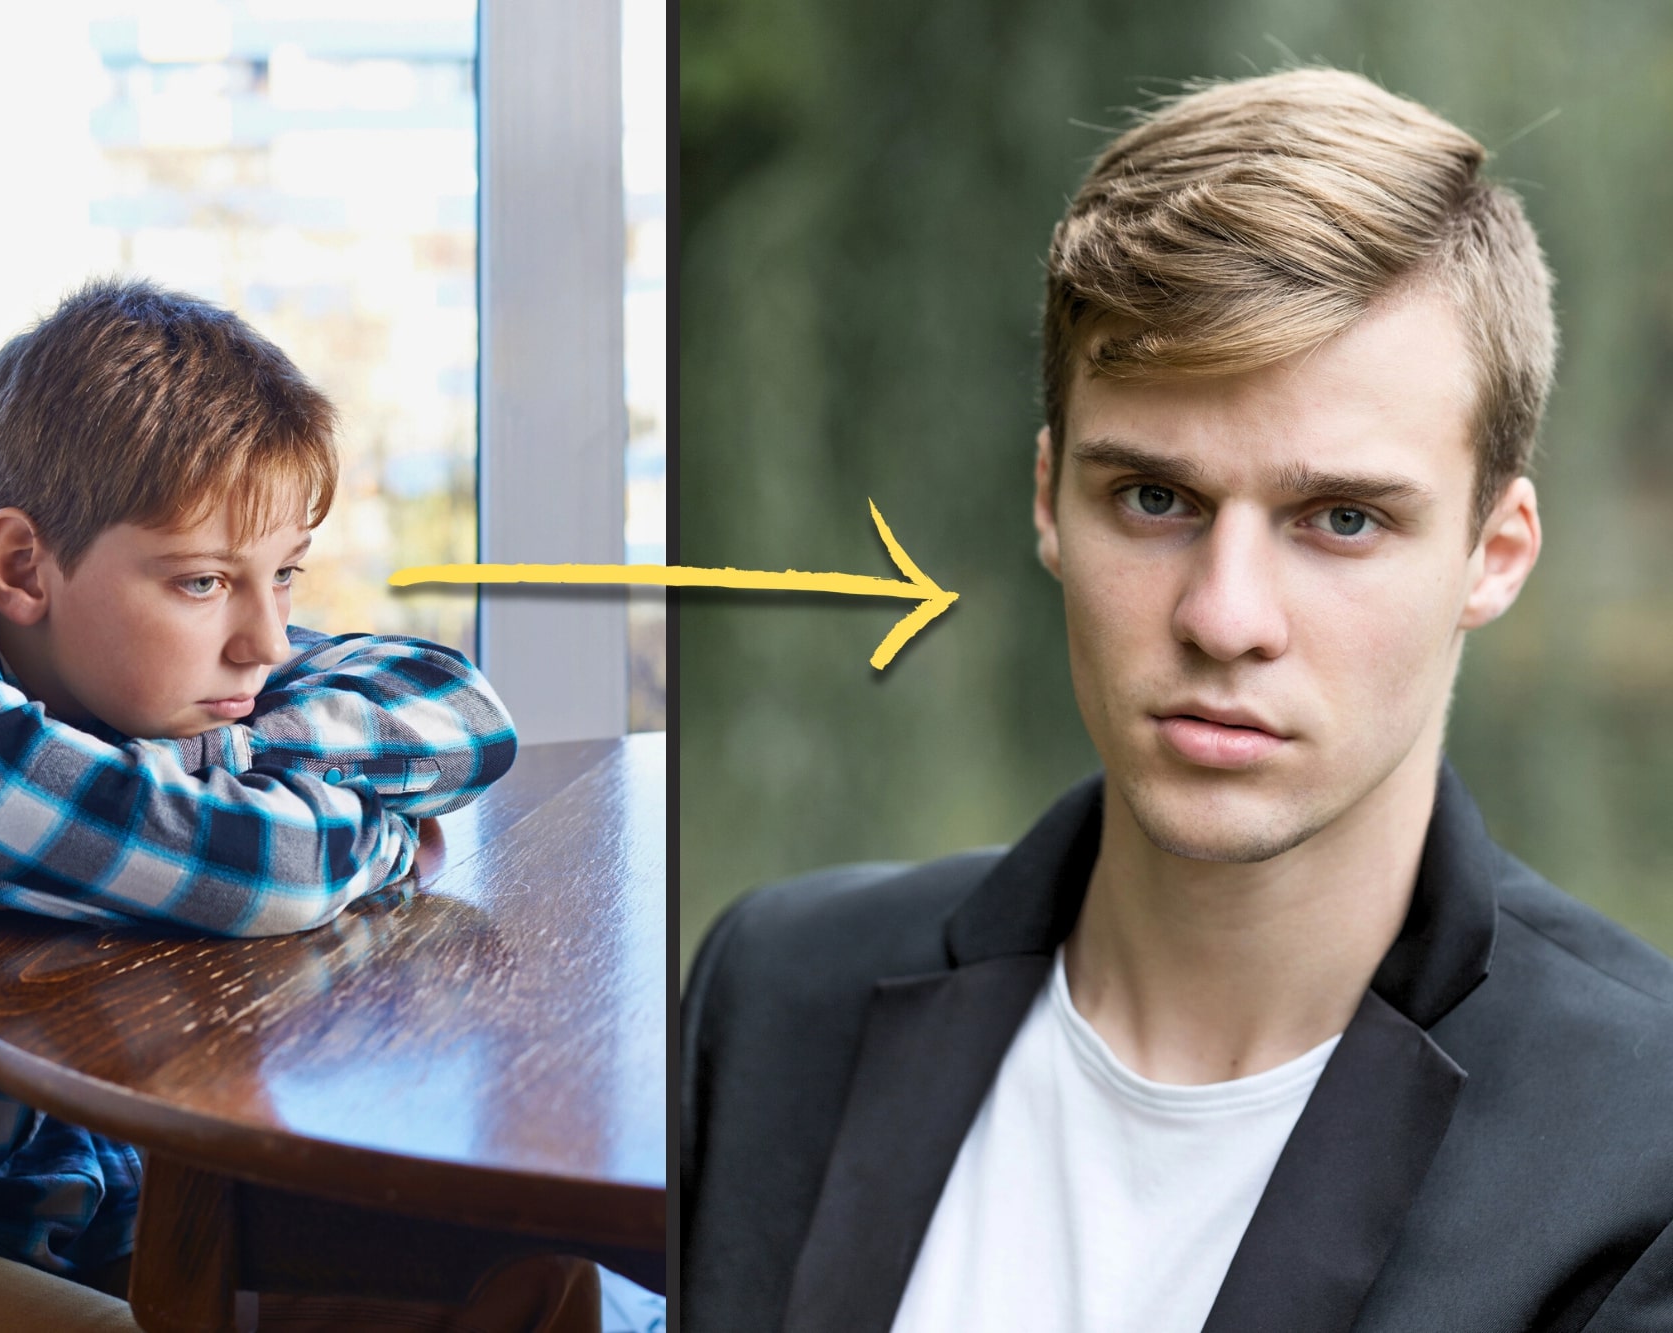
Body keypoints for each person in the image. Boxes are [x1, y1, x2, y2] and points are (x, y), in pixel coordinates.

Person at [681, 68, 1673, 1332]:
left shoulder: (1640, 1148)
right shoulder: (774, 991)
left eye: (1342, 519)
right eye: (1153, 498)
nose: (1223, 616)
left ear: (1493, 552)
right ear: (1049, 500)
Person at [0, 279, 568, 1330]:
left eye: (282, 574)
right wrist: (375, 832)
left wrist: (218, 757)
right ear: (21, 564)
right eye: (201, 582)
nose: (266, 640)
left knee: (514, 1274)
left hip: (71, 1197)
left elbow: (460, 711)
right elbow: (251, 868)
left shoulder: (157, 665)